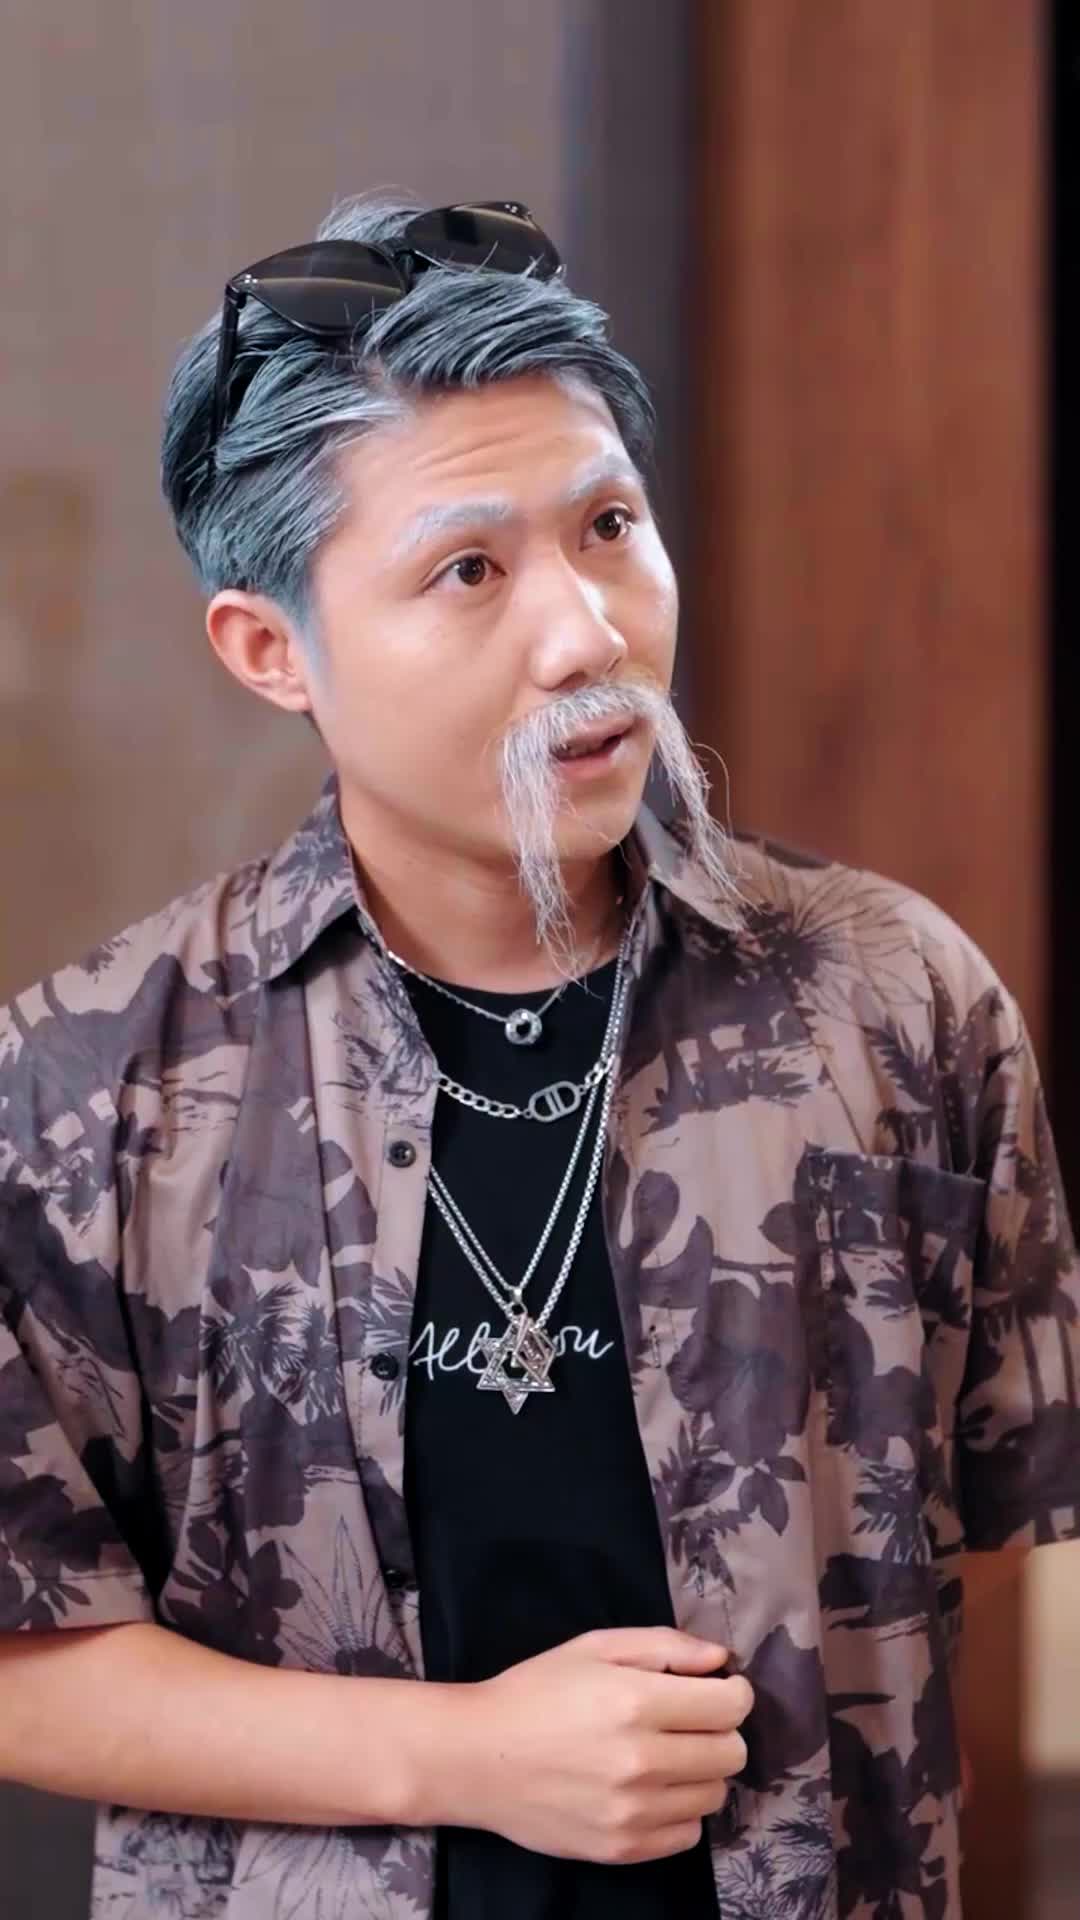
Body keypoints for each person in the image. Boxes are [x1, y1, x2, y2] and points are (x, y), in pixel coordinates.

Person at [0, 195, 1077, 1920]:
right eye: (470, 571)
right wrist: (466, 1758)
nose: (588, 636)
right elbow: (22, 1650)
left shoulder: (892, 999)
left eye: (610, 527)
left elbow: (993, 1539)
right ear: (272, 651)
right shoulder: (89, 1084)